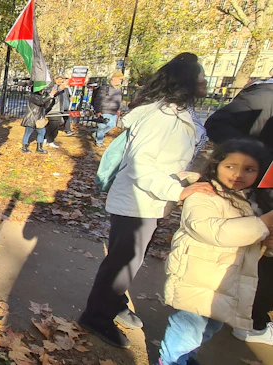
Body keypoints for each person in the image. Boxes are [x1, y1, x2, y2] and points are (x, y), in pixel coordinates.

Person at [78, 56, 212, 348]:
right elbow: (141, 163)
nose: (206, 81)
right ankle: (96, 316)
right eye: (201, 75)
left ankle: (113, 303)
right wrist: (178, 191)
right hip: (138, 202)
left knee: (128, 261)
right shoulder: (163, 117)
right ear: (186, 80)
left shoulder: (178, 113)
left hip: (151, 201)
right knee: (121, 263)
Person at [158, 138, 273, 365]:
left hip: (225, 283)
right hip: (197, 277)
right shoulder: (203, 195)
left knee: (210, 327)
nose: (238, 174)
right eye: (230, 166)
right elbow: (216, 232)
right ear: (216, 165)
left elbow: (249, 239)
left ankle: (186, 357)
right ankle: (171, 362)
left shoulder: (249, 200)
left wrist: (266, 244)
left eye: (249, 169)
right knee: (188, 328)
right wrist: (264, 222)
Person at [203, 68, 273, 345]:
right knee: (262, 252)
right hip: (260, 191)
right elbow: (218, 123)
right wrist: (256, 158)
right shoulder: (266, 95)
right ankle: (251, 319)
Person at [91, 71, 124, 147]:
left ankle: (96, 134)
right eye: (119, 79)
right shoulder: (104, 88)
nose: (120, 81)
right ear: (114, 79)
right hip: (104, 110)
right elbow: (98, 100)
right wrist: (98, 111)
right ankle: (99, 141)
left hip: (113, 111)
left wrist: (119, 109)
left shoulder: (119, 89)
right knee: (102, 126)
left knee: (112, 125)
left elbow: (119, 100)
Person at [20, 87, 56, 154]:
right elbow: (40, 102)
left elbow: (45, 105)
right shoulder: (33, 96)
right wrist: (50, 95)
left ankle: (39, 148)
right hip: (32, 118)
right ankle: (24, 148)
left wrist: (51, 97)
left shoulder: (40, 96)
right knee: (28, 133)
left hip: (39, 118)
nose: (42, 90)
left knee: (42, 132)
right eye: (41, 89)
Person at [45, 76, 70, 148]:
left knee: (54, 126)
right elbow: (54, 93)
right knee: (53, 126)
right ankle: (49, 140)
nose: (60, 80)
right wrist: (63, 85)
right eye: (58, 79)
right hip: (53, 110)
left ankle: (46, 139)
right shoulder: (52, 87)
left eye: (61, 79)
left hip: (60, 110)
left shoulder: (65, 90)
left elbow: (65, 97)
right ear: (54, 80)